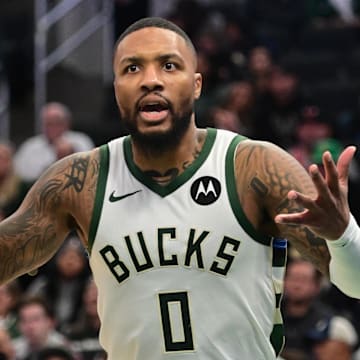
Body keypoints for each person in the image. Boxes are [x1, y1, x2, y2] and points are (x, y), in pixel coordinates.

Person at [0, 17, 359, 359]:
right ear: (116, 90)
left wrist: (343, 234)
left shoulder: (253, 167)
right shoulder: (78, 182)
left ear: (197, 84)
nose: (150, 80)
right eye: (132, 68)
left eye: (169, 66)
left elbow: (356, 284)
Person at [14, 102, 95, 182]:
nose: (53, 127)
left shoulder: (81, 141)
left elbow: (91, 169)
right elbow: (19, 175)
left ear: (67, 123)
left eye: (57, 123)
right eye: (49, 123)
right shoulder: (30, 146)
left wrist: (71, 154)